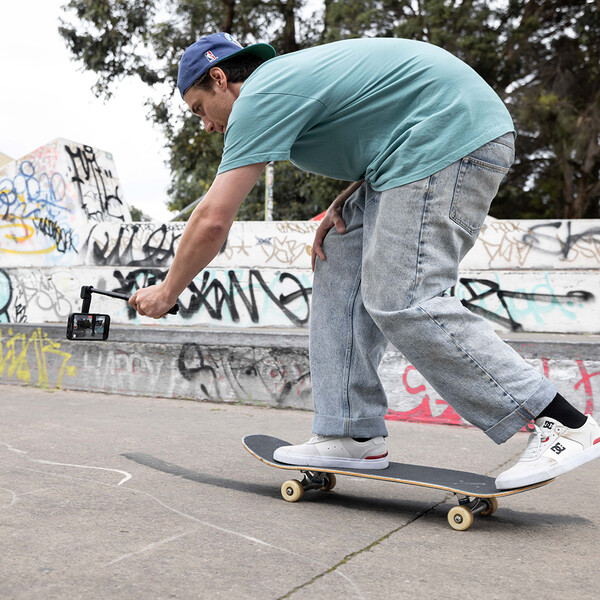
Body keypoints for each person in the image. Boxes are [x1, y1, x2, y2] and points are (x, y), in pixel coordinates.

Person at [129, 32, 600, 490]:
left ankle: (562, 421)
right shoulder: (288, 84)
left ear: (219, 78)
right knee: (338, 259)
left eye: (199, 110)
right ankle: (349, 433)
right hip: (402, 156)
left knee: (402, 296)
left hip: (447, 135)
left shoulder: (258, 96)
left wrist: (167, 291)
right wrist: (351, 196)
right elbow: (381, 115)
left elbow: (212, 218)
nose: (207, 126)